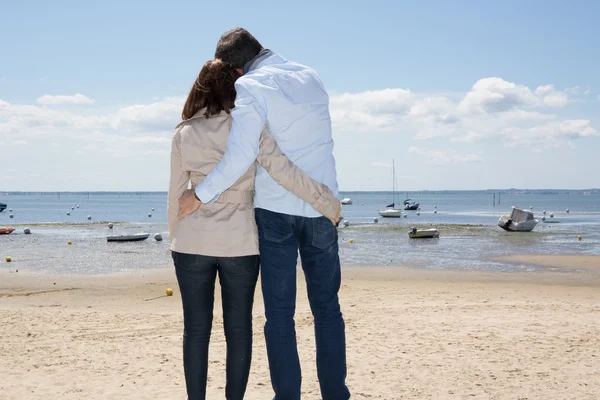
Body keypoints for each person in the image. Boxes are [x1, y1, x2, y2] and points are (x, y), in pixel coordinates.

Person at [178, 29, 351, 400]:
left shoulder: (251, 87)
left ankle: (287, 396)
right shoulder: (311, 75)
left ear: (236, 70)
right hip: (322, 208)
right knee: (328, 311)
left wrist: (199, 196)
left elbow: (242, 155)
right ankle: (335, 394)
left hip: (275, 213)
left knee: (281, 317)